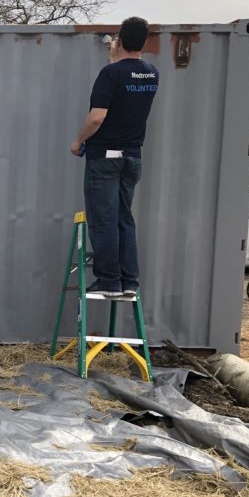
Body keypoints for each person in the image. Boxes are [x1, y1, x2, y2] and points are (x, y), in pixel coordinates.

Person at [69, 16, 159, 298]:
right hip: (132, 158)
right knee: (123, 218)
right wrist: (116, 60)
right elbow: (126, 84)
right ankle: (129, 281)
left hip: (105, 158)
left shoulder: (111, 75)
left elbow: (97, 117)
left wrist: (78, 140)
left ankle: (109, 280)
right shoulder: (151, 73)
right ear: (144, 42)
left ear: (118, 40)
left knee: (103, 219)